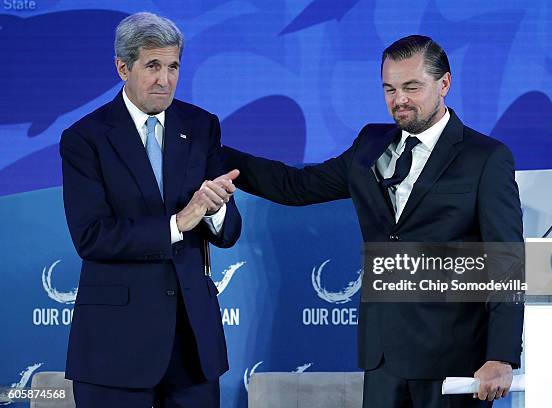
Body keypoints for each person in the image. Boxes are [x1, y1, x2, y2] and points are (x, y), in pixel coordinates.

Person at [223, 35, 523, 407]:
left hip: (454, 361)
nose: (399, 100)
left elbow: (506, 260)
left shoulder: (486, 157)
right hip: (383, 358)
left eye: (412, 87)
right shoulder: (371, 143)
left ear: (444, 84)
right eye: (390, 88)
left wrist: (502, 356)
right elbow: (296, 187)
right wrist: (210, 152)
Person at [60, 12, 241, 408]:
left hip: (193, 346)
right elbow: (92, 236)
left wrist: (213, 209)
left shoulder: (201, 125)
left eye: (173, 66)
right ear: (122, 67)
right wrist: (178, 223)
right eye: (153, 66)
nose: (165, 79)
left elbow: (227, 232)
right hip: (115, 350)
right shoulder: (84, 139)